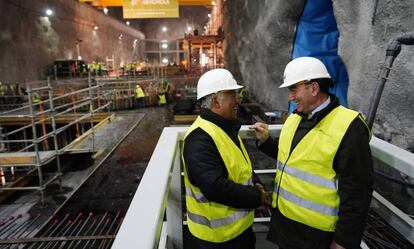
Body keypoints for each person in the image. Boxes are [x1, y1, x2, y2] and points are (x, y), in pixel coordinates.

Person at [251, 57, 373, 249]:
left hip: (318, 236)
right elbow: (293, 158)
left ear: (314, 88)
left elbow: (357, 193)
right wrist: (266, 142)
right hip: (286, 225)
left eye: (293, 89)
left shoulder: (349, 127)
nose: (290, 97)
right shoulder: (295, 119)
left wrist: (343, 241)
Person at [182, 68, 271, 249]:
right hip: (216, 240)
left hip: (238, 233)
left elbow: (238, 164)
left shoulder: (223, 129)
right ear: (215, 101)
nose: (238, 100)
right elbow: (216, 188)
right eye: (232, 94)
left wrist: (255, 182)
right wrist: (257, 197)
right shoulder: (200, 138)